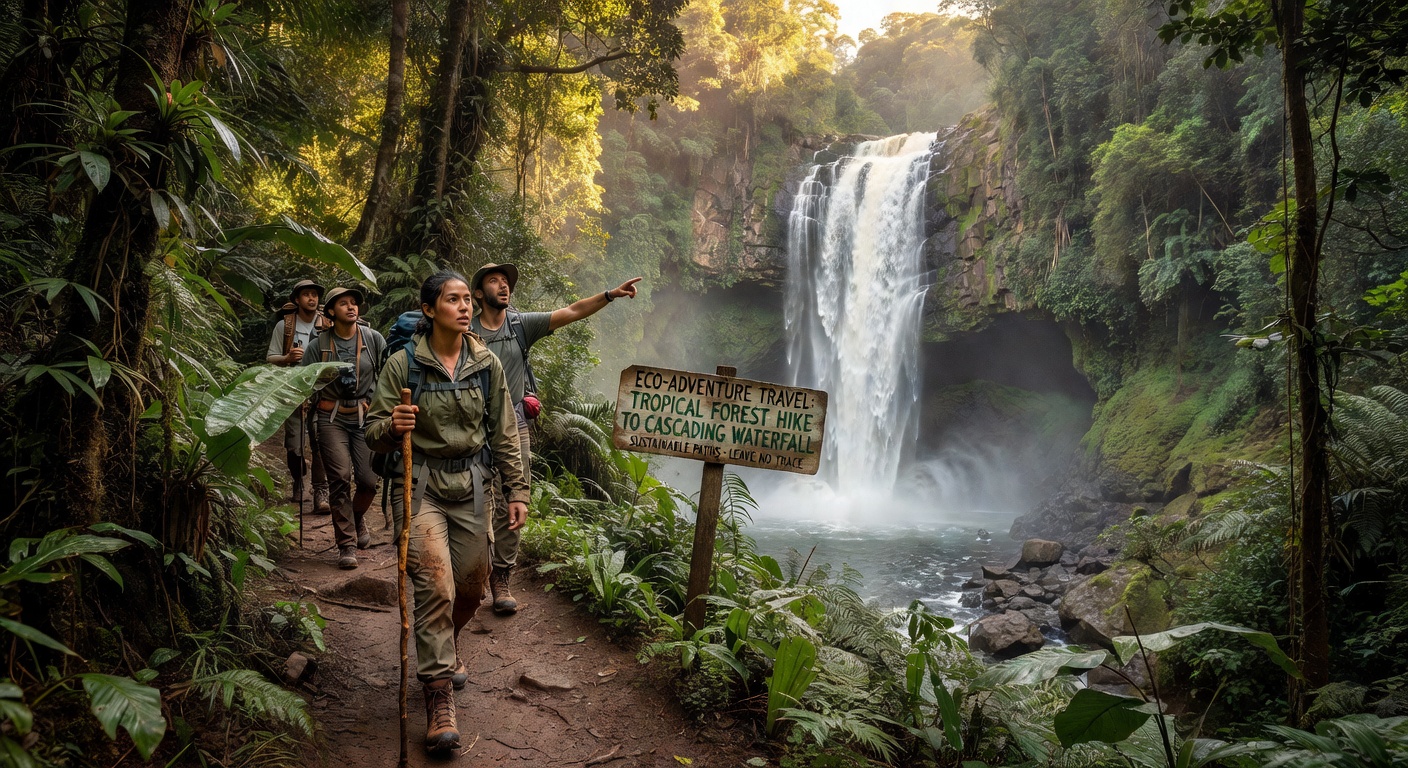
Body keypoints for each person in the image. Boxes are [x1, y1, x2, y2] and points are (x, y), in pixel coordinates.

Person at [365, 271, 528, 755]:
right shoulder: (403, 366)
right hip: (419, 489)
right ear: (431, 309)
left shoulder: (486, 364)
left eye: (464, 299)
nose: (462, 307)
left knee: (473, 587)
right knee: (435, 585)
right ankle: (438, 700)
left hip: (473, 487)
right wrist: (392, 426)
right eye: (452, 299)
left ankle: (446, 646)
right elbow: (373, 431)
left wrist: (516, 490)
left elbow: (504, 433)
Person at [469, 263, 640, 614]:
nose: (503, 287)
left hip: (514, 422)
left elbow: (572, 311)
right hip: (470, 423)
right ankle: (471, 573)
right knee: (472, 500)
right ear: (476, 293)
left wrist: (610, 295)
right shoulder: (464, 330)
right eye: (494, 281)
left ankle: (501, 578)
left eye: (506, 282)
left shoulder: (520, 325)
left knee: (514, 500)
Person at [303, 285, 386, 569]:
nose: (351, 307)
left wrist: (379, 404)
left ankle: (357, 517)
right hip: (330, 418)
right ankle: (346, 544)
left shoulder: (373, 339)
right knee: (339, 477)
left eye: (354, 303)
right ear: (330, 312)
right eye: (343, 304)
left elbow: (388, 374)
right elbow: (305, 382)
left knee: (367, 481)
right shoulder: (318, 345)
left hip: (365, 418)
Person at [266, 279, 331, 514]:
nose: (311, 298)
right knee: (295, 447)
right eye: (306, 295)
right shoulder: (285, 327)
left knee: (321, 443)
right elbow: (271, 357)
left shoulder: (328, 325)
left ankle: (320, 492)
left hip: (322, 392)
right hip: (292, 392)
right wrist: (286, 359)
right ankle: (297, 479)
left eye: (315, 294)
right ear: (297, 299)